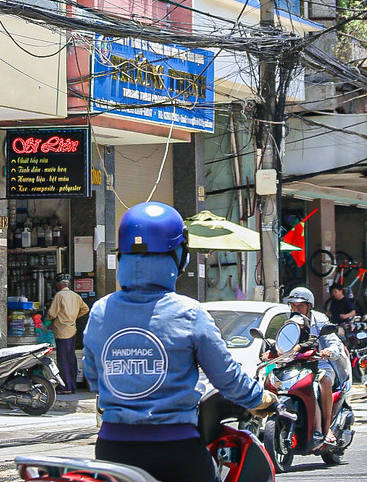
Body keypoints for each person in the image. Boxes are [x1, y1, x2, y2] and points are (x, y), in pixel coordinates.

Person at [82, 202, 276, 482]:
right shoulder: (189, 312)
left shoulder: (100, 310)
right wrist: (260, 398)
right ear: (178, 255)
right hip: (176, 450)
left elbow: (93, 378)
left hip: (113, 448)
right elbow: (227, 377)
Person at [274, 286, 350, 450]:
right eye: (293, 305)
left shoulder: (320, 320)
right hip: (296, 364)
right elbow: (282, 340)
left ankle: (327, 427)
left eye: (300, 305)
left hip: (321, 363)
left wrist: (329, 351)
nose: (296, 309)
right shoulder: (290, 320)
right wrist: (271, 351)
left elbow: (333, 341)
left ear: (309, 306)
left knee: (324, 381)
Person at [46, 276, 88, 394]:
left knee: (63, 359)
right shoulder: (76, 296)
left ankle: (66, 387)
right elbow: (85, 309)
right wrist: (74, 317)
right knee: (71, 358)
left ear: (59, 285)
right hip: (72, 329)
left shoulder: (59, 295)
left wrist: (48, 320)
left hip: (62, 330)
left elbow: (52, 314)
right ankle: (72, 385)